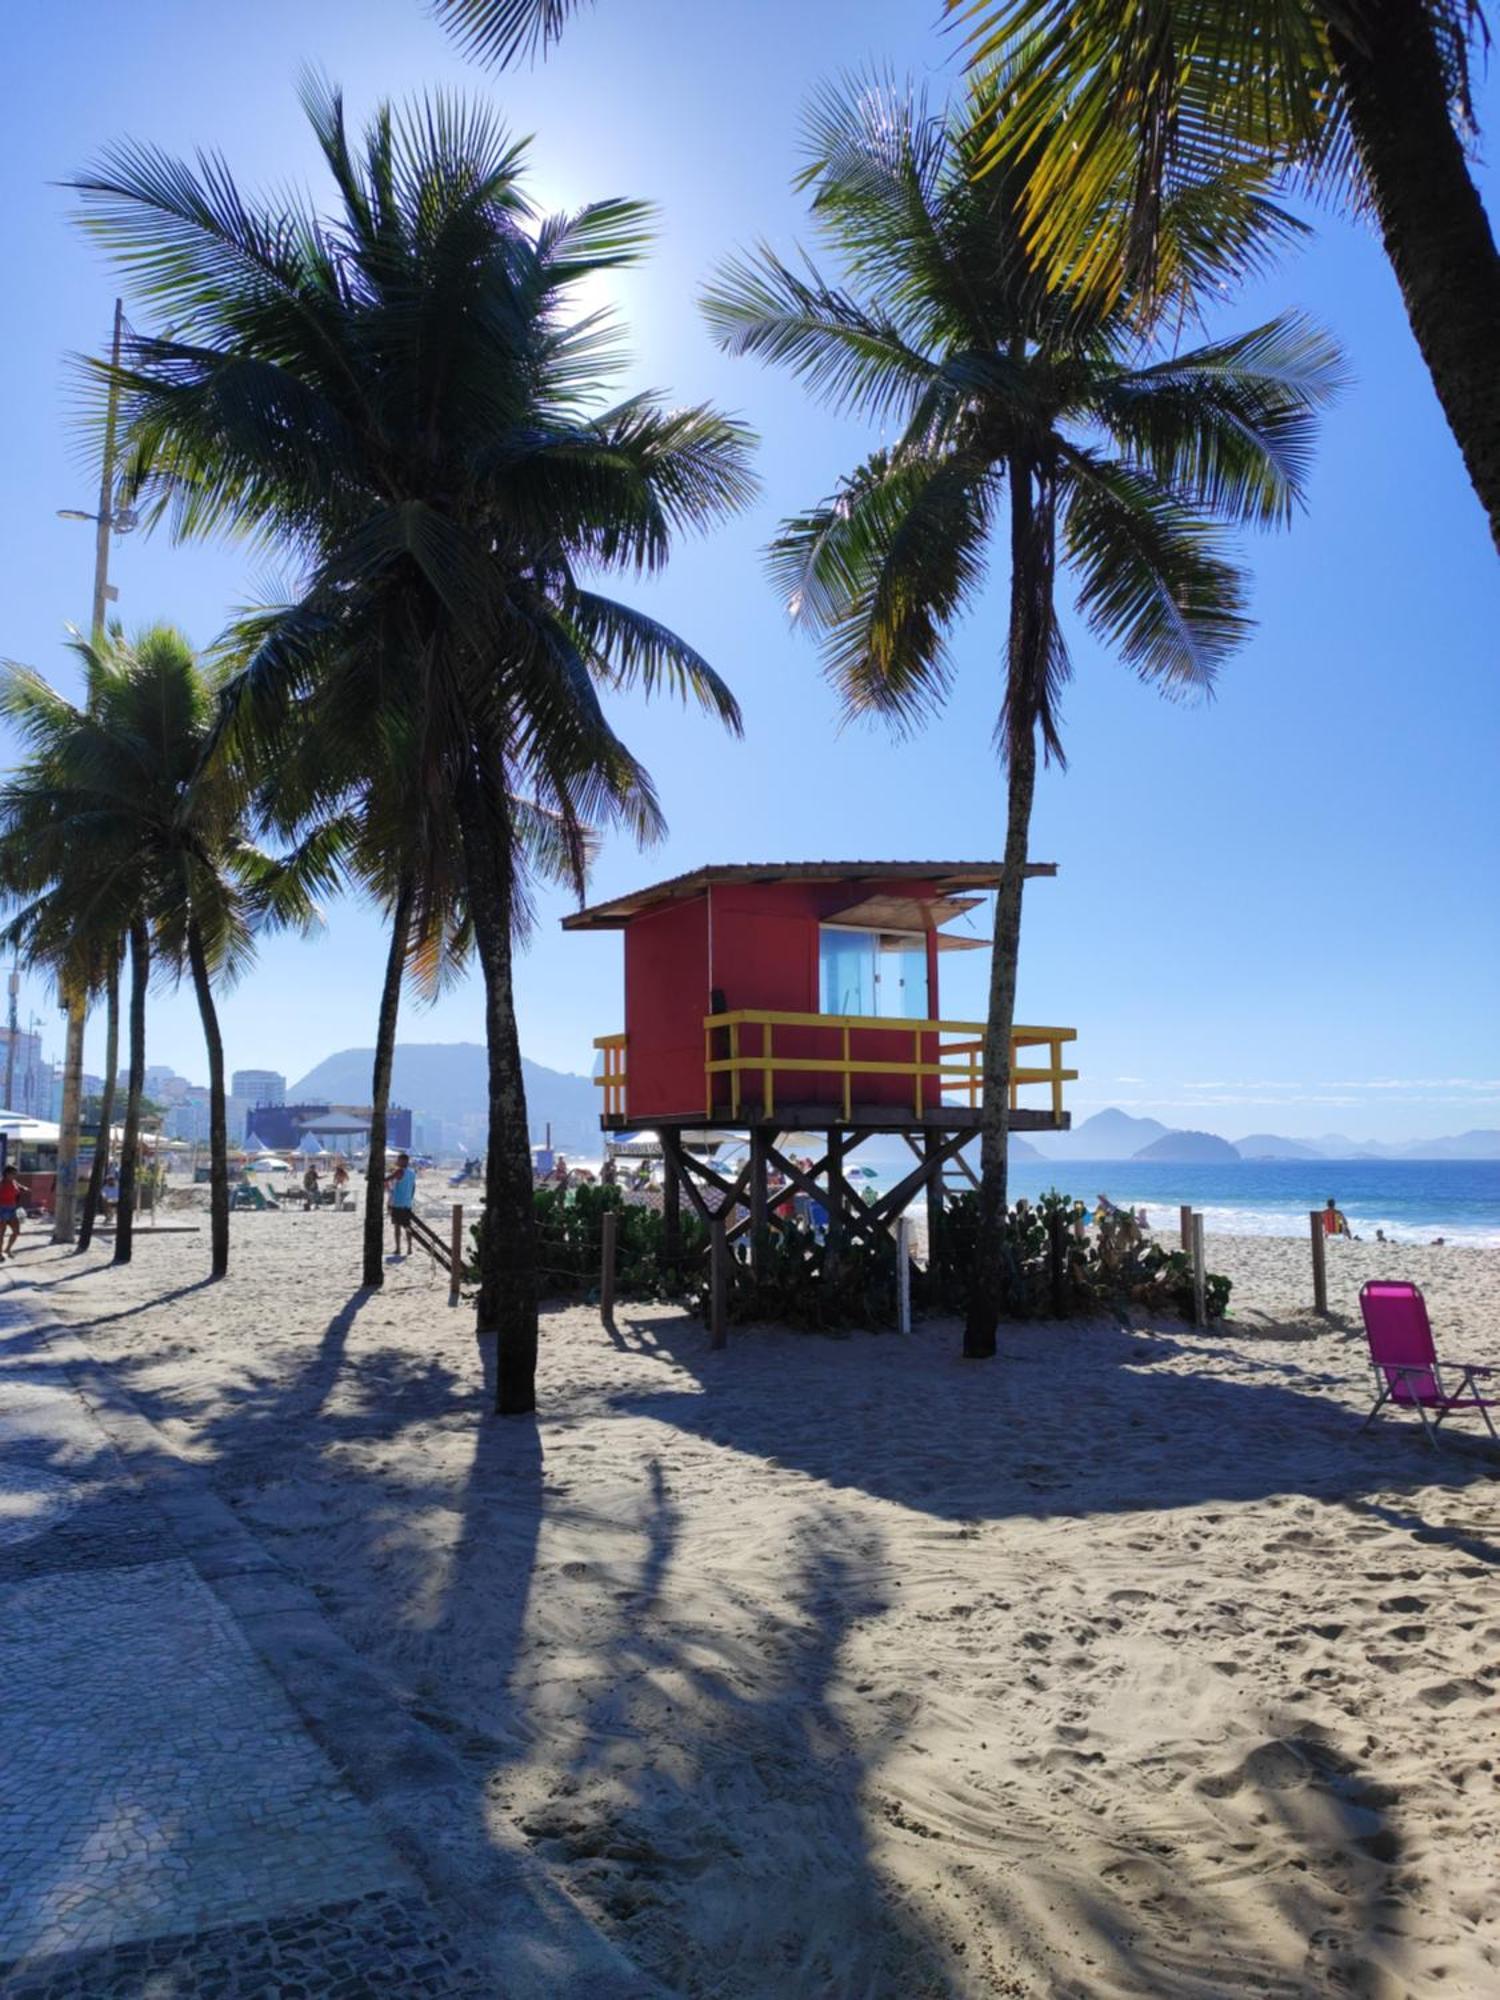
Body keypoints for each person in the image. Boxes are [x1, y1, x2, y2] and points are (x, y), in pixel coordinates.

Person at [386, 1152, 417, 1257]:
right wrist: (410, 1198)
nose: (397, 1161)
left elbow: (387, 1179)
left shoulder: (399, 1171)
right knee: (408, 1226)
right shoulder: (412, 1173)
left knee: (397, 1227)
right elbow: (413, 1187)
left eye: (398, 1160)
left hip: (398, 1203)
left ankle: (398, 1248)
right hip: (407, 1203)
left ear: (403, 1161)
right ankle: (409, 1248)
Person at [0, 1163, 29, 1259]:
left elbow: (19, 1186)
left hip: (12, 1209)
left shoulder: (14, 1182)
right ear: (7, 1174)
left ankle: (8, 1249)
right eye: (13, 1173)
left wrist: (24, 1188)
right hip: (2, 1209)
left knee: (16, 1231)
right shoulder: (1, 1183)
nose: (15, 1175)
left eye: (15, 1173)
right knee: (1, 1233)